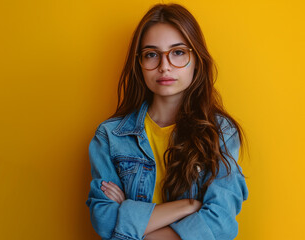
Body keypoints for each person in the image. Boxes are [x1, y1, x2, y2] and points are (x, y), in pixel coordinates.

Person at [85, 3, 249, 240]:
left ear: (196, 59)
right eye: (152, 54)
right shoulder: (109, 137)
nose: (164, 66)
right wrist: (190, 205)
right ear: (139, 63)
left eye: (178, 52)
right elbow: (104, 221)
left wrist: (131, 221)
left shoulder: (221, 132)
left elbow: (219, 224)